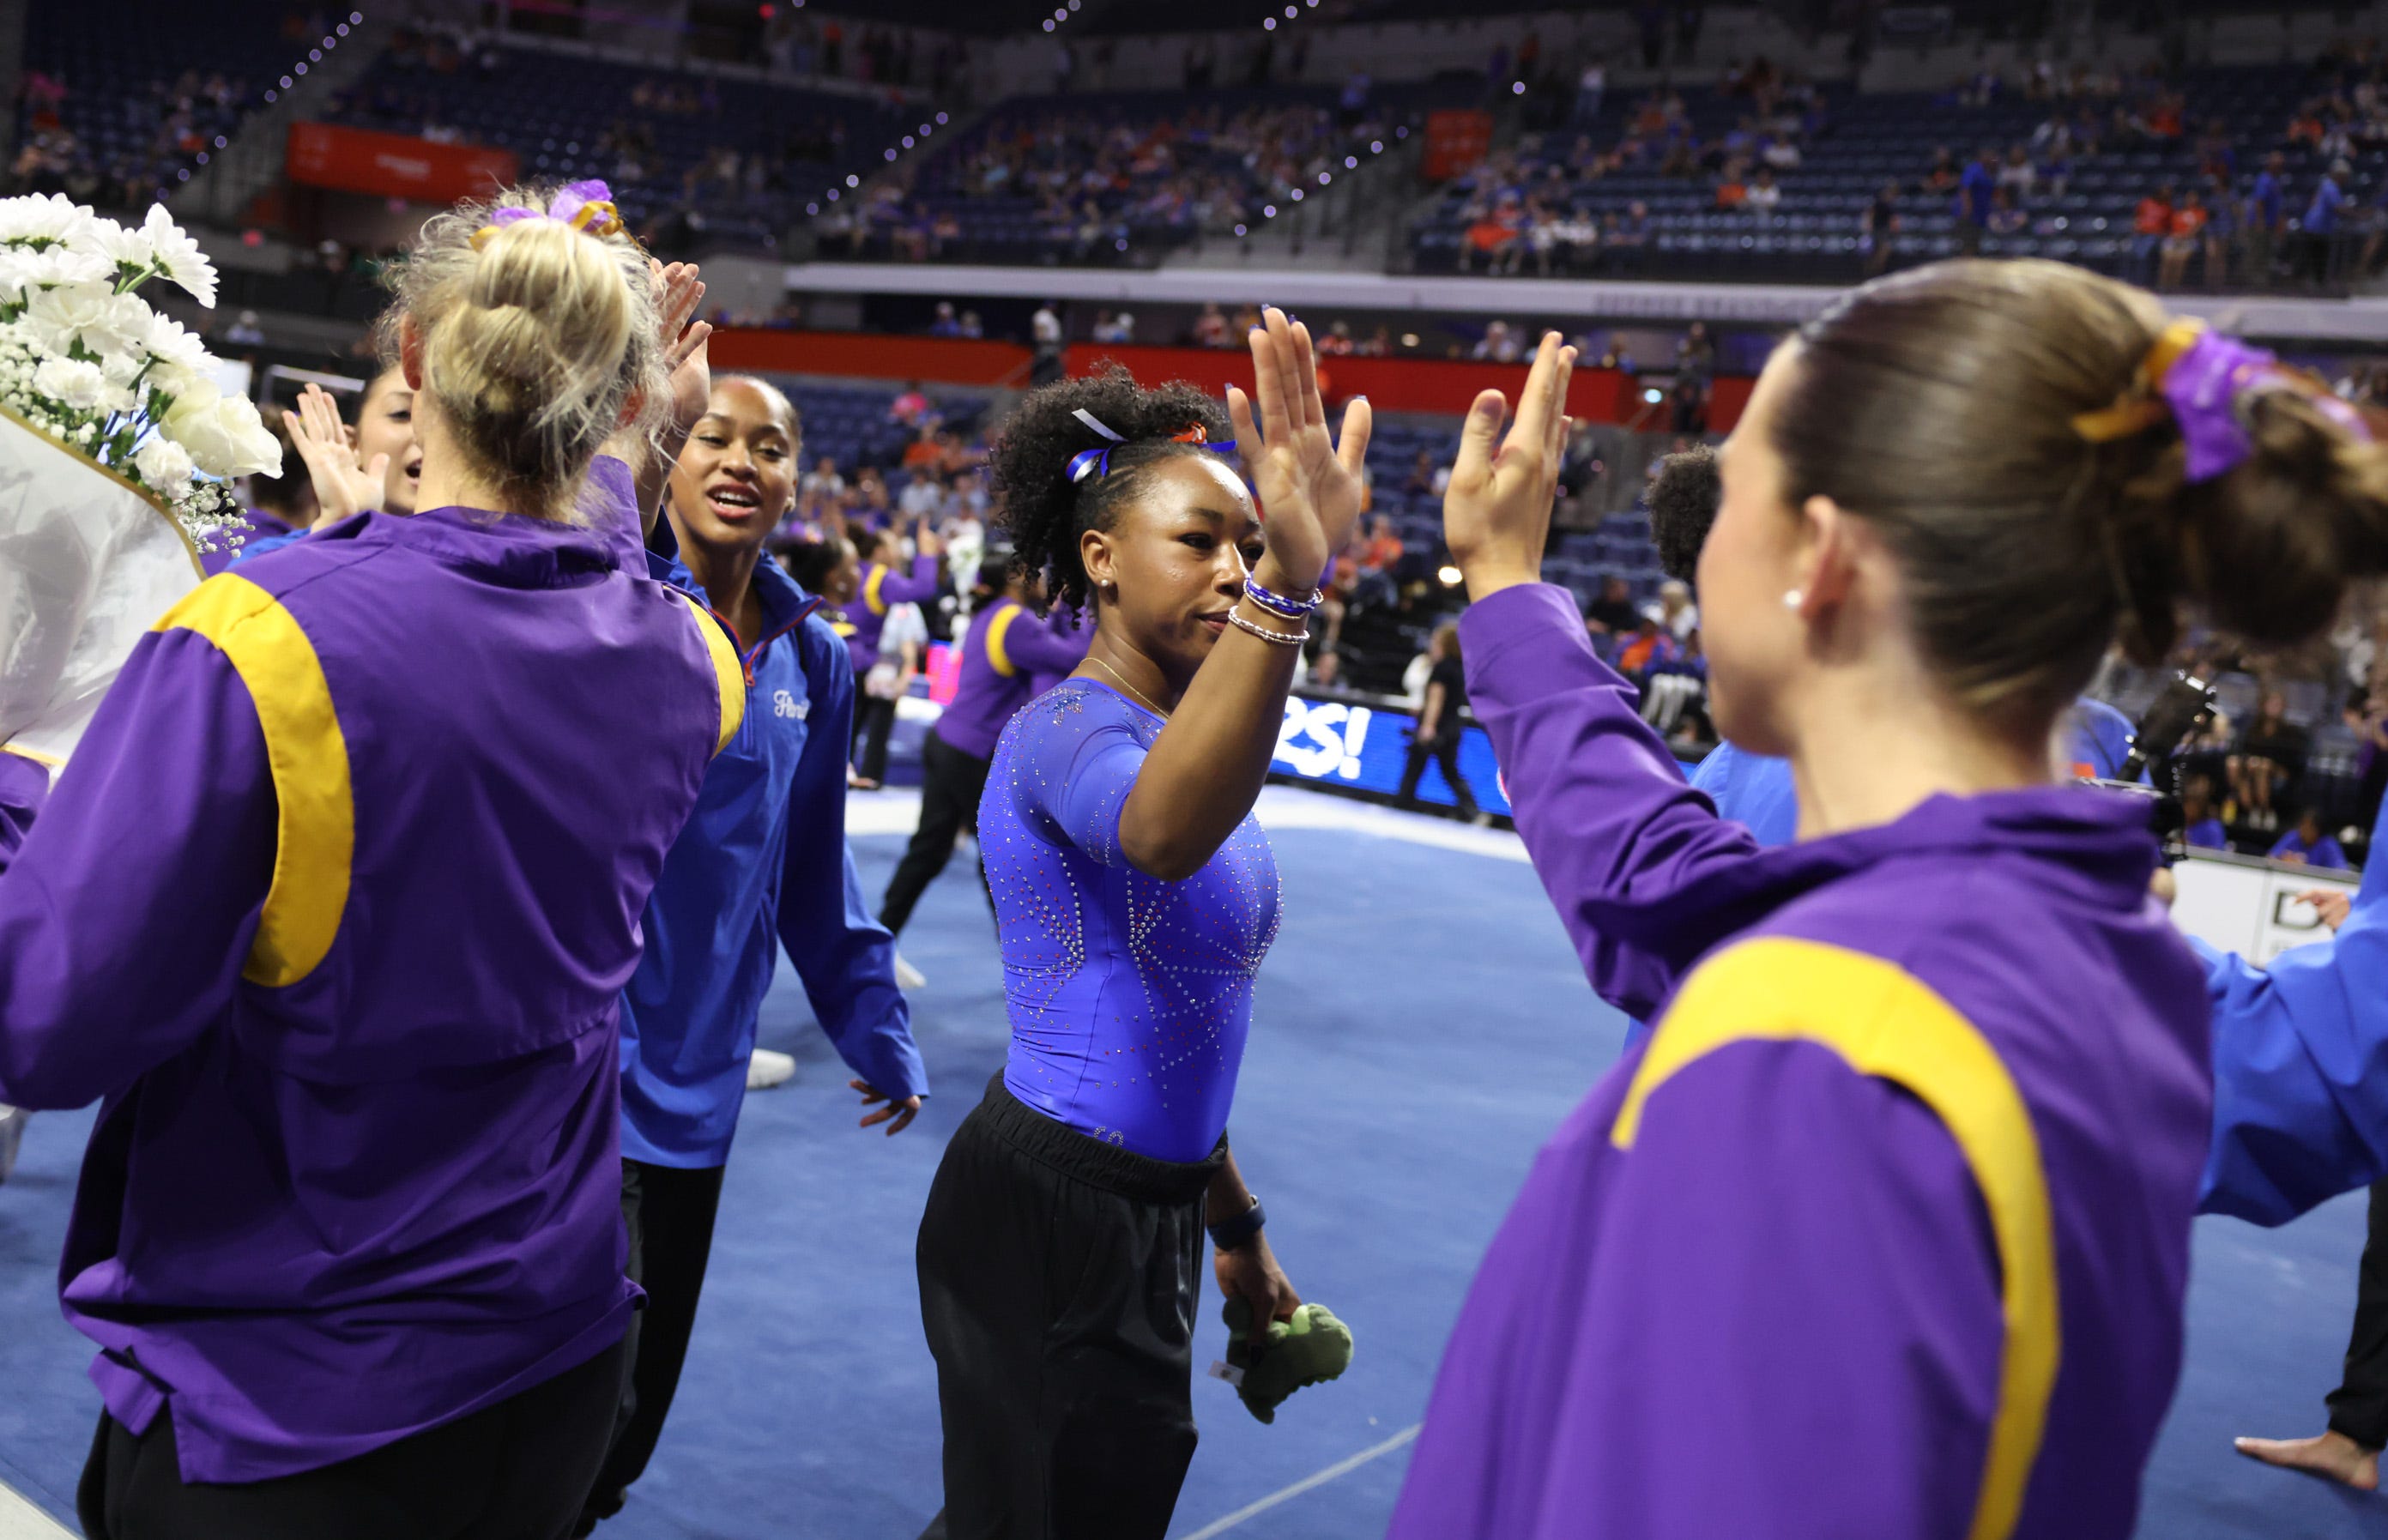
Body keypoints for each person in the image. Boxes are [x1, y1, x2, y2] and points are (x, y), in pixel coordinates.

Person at [1393, 261, 2388, 1538]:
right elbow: (1664, 880)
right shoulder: (2091, 948)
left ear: (1820, 554)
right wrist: (1507, 600)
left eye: (1732, 493)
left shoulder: (1810, 1059)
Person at [0, 183, 744, 1537]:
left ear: (411, 358)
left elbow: (41, 1023)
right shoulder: (690, 662)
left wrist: (24, 766)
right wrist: (642, 444)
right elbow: (590, 576)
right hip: (558, 1344)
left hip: (298, 1389)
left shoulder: (262, 635)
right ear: (626, 404)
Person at [915, 310, 1359, 1540]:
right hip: (1040, 1218)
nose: (1229, 563)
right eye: (1199, 539)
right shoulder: (1066, 731)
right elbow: (1160, 834)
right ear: (1101, 558)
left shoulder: (1169, 740)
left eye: (1246, 542)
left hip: (1149, 1212)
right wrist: (1284, 593)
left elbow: (1173, 1007)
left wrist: (1232, 1221)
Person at [576, 376, 928, 1536]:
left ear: (793, 478)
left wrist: (872, 1021)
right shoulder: (608, 603)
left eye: (767, 446)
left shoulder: (811, 659)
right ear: (664, 460)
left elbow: (812, 868)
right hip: (564, 1083)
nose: (740, 461)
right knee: (539, 1414)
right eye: (711, 437)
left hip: (697, 1090)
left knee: (626, 1426)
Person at [875, 553, 1090, 949]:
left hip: (948, 742)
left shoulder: (995, 614)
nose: (1043, 578)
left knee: (931, 851)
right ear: (1017, 579)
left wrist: (1059, 613)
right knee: (1003, 851)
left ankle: (878, 940)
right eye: (1036, 572)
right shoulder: (1017, 622)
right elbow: (1074, 658)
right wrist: (1073, 608)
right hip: (971, 752)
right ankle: (1029, 952)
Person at [1397, 621, 1478, 818]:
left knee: (1416, 764)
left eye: (1436, 640)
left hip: (1437, 726)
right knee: (1449, 770)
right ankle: (1472, 810)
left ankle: (1403, 802)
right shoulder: (1460, 668)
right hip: (1453, 726)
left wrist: (1428, 726)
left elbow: (1436, 699)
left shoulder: (1441, 668)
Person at [2270, 806, 2349, 869]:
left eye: (2308, 828)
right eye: (2302, 825)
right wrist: (2283, 861)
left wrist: (2307, 867)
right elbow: (2269, 859)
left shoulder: (2328, 844)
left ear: (2317, 830)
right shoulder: (2292, 837)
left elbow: (2341, 871)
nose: (2303, 830)